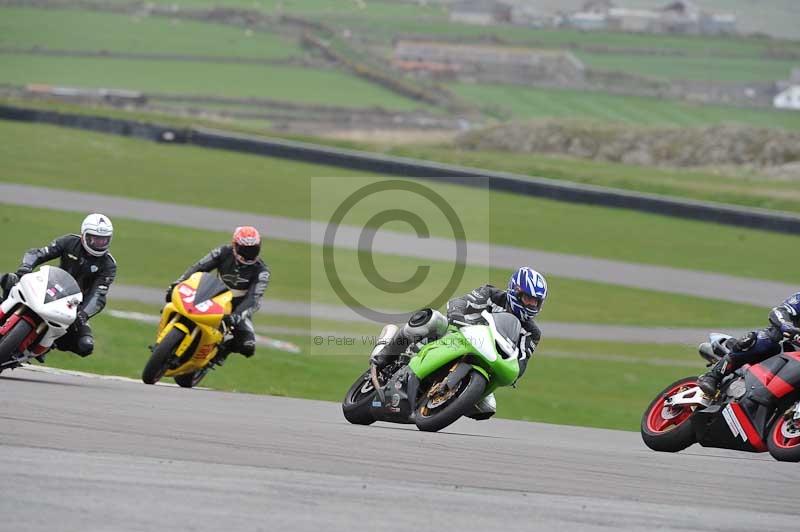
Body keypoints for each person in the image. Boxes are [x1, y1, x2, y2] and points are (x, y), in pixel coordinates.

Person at [370, 266, 548, 419]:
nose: (531, 305)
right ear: (515, 292)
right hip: (457, 335)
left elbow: (522, 360)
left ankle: (447, 399)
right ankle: (386, 355)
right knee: (430, 319)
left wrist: (514, 372)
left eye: (536, 302)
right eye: (528, 298)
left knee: (487, 407)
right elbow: (460, 303)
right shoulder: (490, 295)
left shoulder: (532, 332)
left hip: (486, 358)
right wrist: (458, 317)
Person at [0, 213, 116, 358]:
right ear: (84, 235)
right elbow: (39, 253)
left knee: (85, 345)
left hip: (74, 307)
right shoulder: (69, 242)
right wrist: (26, 266)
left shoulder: (108, 265)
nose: (99, 244)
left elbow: (98, 295)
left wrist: (83, 314)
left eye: (104, 240)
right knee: (8, 279)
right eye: (95, 239)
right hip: (49, 287)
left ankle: (49, 343)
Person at [167, 226, 270, 364]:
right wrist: (178, 284)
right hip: (213, 295)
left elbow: (253, 299)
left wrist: (236, 316)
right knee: (174, 301)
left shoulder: (262, 272)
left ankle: (220, 353)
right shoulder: (222, 252)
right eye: (244, 249)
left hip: (237, 307)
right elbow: (198, 268)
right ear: (234, 245)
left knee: (248, 346)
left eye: (253, 249)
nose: (248, 254)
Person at [698, 292, 800, 395]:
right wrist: (786, 325)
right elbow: (780, 311)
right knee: (765, 341)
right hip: (786, 347)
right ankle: (713, 377)